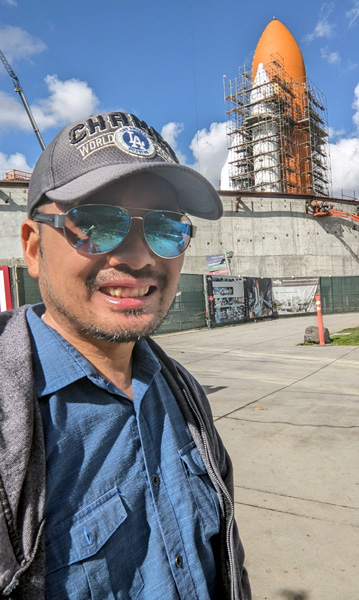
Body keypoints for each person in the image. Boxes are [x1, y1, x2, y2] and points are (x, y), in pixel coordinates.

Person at [0, 111, 251, 600]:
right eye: (94, 221)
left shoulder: (181, 393)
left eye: (164, 228)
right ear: (33, 247)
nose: (138, 257)